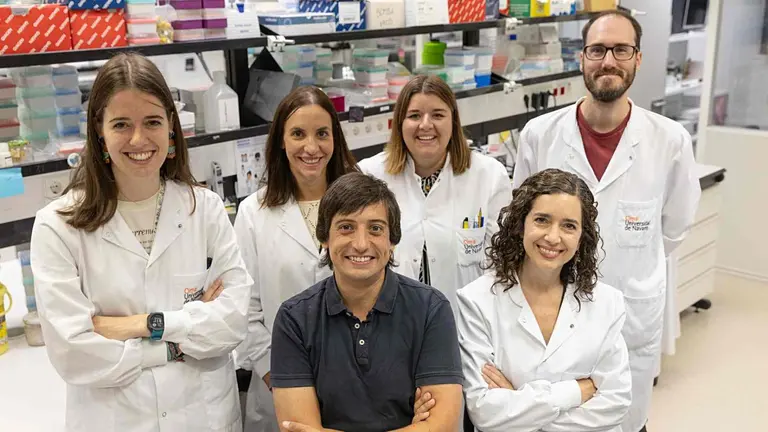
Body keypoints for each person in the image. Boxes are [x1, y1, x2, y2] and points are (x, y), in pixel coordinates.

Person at [29, 53, 252, 431]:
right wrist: (183, 335)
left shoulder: (206, 209)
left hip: (202, 416)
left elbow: (232, 323)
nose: (138, 139)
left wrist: (134, 325)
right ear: (99, 130)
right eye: (121, 124)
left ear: (170, 128)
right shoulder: (58, 226)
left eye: (152, 122)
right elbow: (74, 353)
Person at [512, 10, 701, 432]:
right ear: (582, 58)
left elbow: (674, 227)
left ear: (637, 58)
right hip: (552, 314)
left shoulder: (668, 141)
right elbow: (521, 227)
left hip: (630, 315)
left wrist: (630, 259)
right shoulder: (540, 135)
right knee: (553, 418)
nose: (608, 60)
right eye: (597, 50)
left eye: (621, 49)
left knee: (626, 421)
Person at [270, 172, 464, 432]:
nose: (361, 244)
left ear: (392, 240)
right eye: (346, 227)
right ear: (325, 238)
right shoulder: (294, 319)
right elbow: (297, 429)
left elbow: (443, 427)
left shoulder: (430, 309)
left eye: (375, 229)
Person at [458, 168, 632, 432]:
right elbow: (485, 412)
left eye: (569, 226)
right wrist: (576, 391)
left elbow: (616, 402)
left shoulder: (607, 303)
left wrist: (519, 402)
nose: (553, 237)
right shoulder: (476, 301)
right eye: (542, 220)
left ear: (581, 236)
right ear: (520, 224)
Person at [233, 86, 359, 431]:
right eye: (298, 134)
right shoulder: (253, 213)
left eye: (322, 134)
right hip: (280, 385)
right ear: (280, 142)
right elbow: (244, 307)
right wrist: (279, 378)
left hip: (360, 380)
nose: (311, 147)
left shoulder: (362, 201)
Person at [359, 75, 512, 310]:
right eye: (414, 115)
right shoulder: (369, 175)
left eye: (438, 115)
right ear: (400, 123)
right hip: (388, 322)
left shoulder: (489, 176)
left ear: (453, 121)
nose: (425, 125)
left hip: (464, 325)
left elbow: (501, 266)